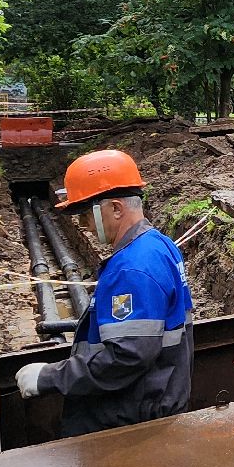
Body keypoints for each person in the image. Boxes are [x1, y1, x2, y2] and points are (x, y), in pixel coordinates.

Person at [13, 149, 194, 437]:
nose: (82, 224)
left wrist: (50, 377)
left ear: (116, 208)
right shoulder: (160, 245)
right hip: (154, 401)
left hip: (130, 418)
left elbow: (127, 356)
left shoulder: (132, 268)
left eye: (85, 213)